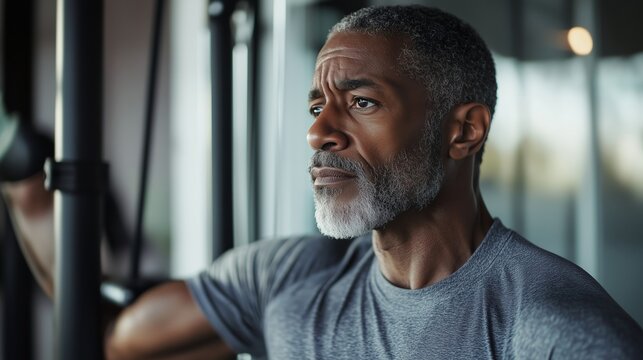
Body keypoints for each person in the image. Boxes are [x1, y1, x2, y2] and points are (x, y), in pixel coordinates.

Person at [4, 5, 642, 360]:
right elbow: (111, 341)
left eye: (361, 103)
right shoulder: (290, 279)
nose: (318, 134)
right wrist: (26, 187)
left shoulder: (553, 331)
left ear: (464, 132)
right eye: (316, 107)